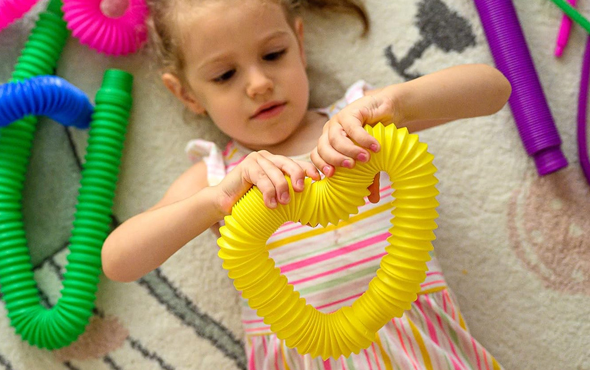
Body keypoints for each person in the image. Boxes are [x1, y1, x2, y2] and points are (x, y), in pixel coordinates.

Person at [101, 0, 511, 368]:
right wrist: (213, 202)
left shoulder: (359, 123)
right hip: (302, 349)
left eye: (274, 54)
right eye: (225, 75)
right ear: (187, 93)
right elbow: (119, 260)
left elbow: (493, 90)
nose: (259, 82)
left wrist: (398, 102)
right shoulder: (215, 177)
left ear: (299, 44)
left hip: (412, 333)